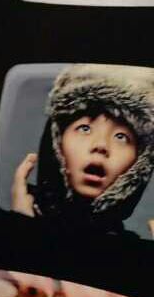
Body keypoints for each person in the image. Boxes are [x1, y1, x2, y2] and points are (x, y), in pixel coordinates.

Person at [11, 64, 154, 235]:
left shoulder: (133, 250)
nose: (101, 145)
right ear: (56, 141)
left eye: (121, 137)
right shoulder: (10, 227)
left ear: (140, 163)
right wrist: (22, 228)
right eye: (85, 128)